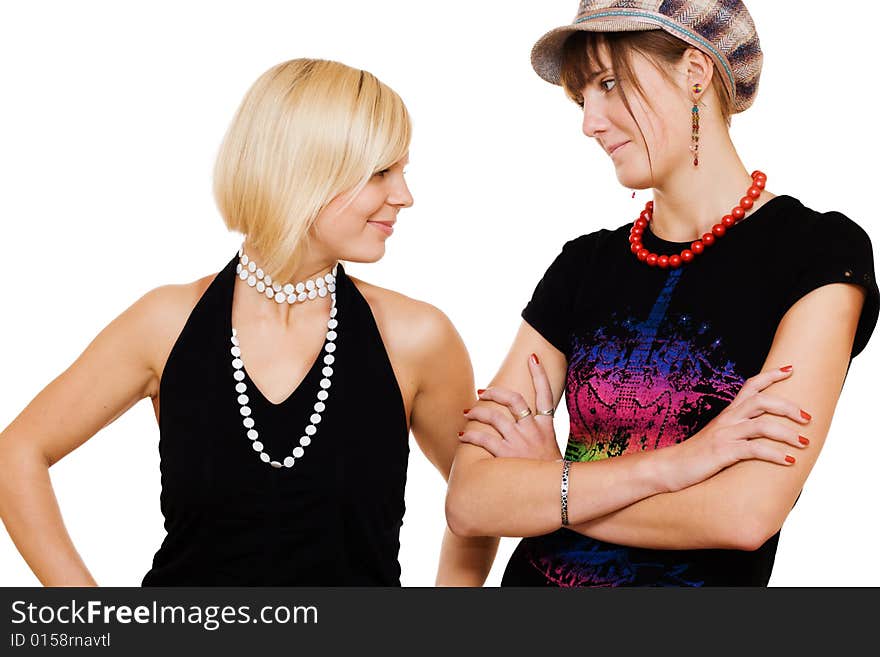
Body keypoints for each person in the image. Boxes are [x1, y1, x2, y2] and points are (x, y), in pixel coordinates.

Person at [0, 58, 486, 586]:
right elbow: (17, 453)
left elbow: (479, 498)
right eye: (379, 172)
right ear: (303, 171)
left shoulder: (416, 337)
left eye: (402, 171)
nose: (404, 196)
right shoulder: (165, 323)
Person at [446, 0, 879, 586]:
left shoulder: (818, 254)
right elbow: (472, 500)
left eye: (608, 84)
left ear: (694, 72)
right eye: (582, 97)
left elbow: (744, 513)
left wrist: (553, 482)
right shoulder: (583, 265)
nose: (589, 122)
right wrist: (683, 464)